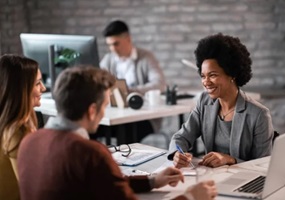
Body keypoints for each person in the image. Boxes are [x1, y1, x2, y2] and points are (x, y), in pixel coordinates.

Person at [17, 66, 217, 200]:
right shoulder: (90, 153)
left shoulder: (29, 141)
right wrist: (191, 197)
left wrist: (151, 181)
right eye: (105, 104)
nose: (105, 110)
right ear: (92, 110)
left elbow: (103, 183)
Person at [168, 33, 274, 168]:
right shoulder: (204, 102)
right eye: (203, 76)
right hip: (211, 178)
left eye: (212, 75)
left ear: (232, 75)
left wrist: (231, 160)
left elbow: (263, 165)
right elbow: (181, 137)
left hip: (243, 181)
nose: (206, 82)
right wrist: (177, 153)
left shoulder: (259, 115)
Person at [99, 20, 166, 141]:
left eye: (116, 44)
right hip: (116, 113)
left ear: (128, 39)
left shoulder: (146, 57)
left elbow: (160, 84)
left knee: (126, 131)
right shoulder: (108, 59)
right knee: (90, 128)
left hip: (144, 117)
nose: (112, 49)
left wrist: (128, 91)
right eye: (109, 45)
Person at [0, 54, 46, 200]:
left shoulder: (6, 124)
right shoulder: (18, 131)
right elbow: (35, 192)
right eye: (38, 83)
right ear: (20, 89)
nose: (43, 88)